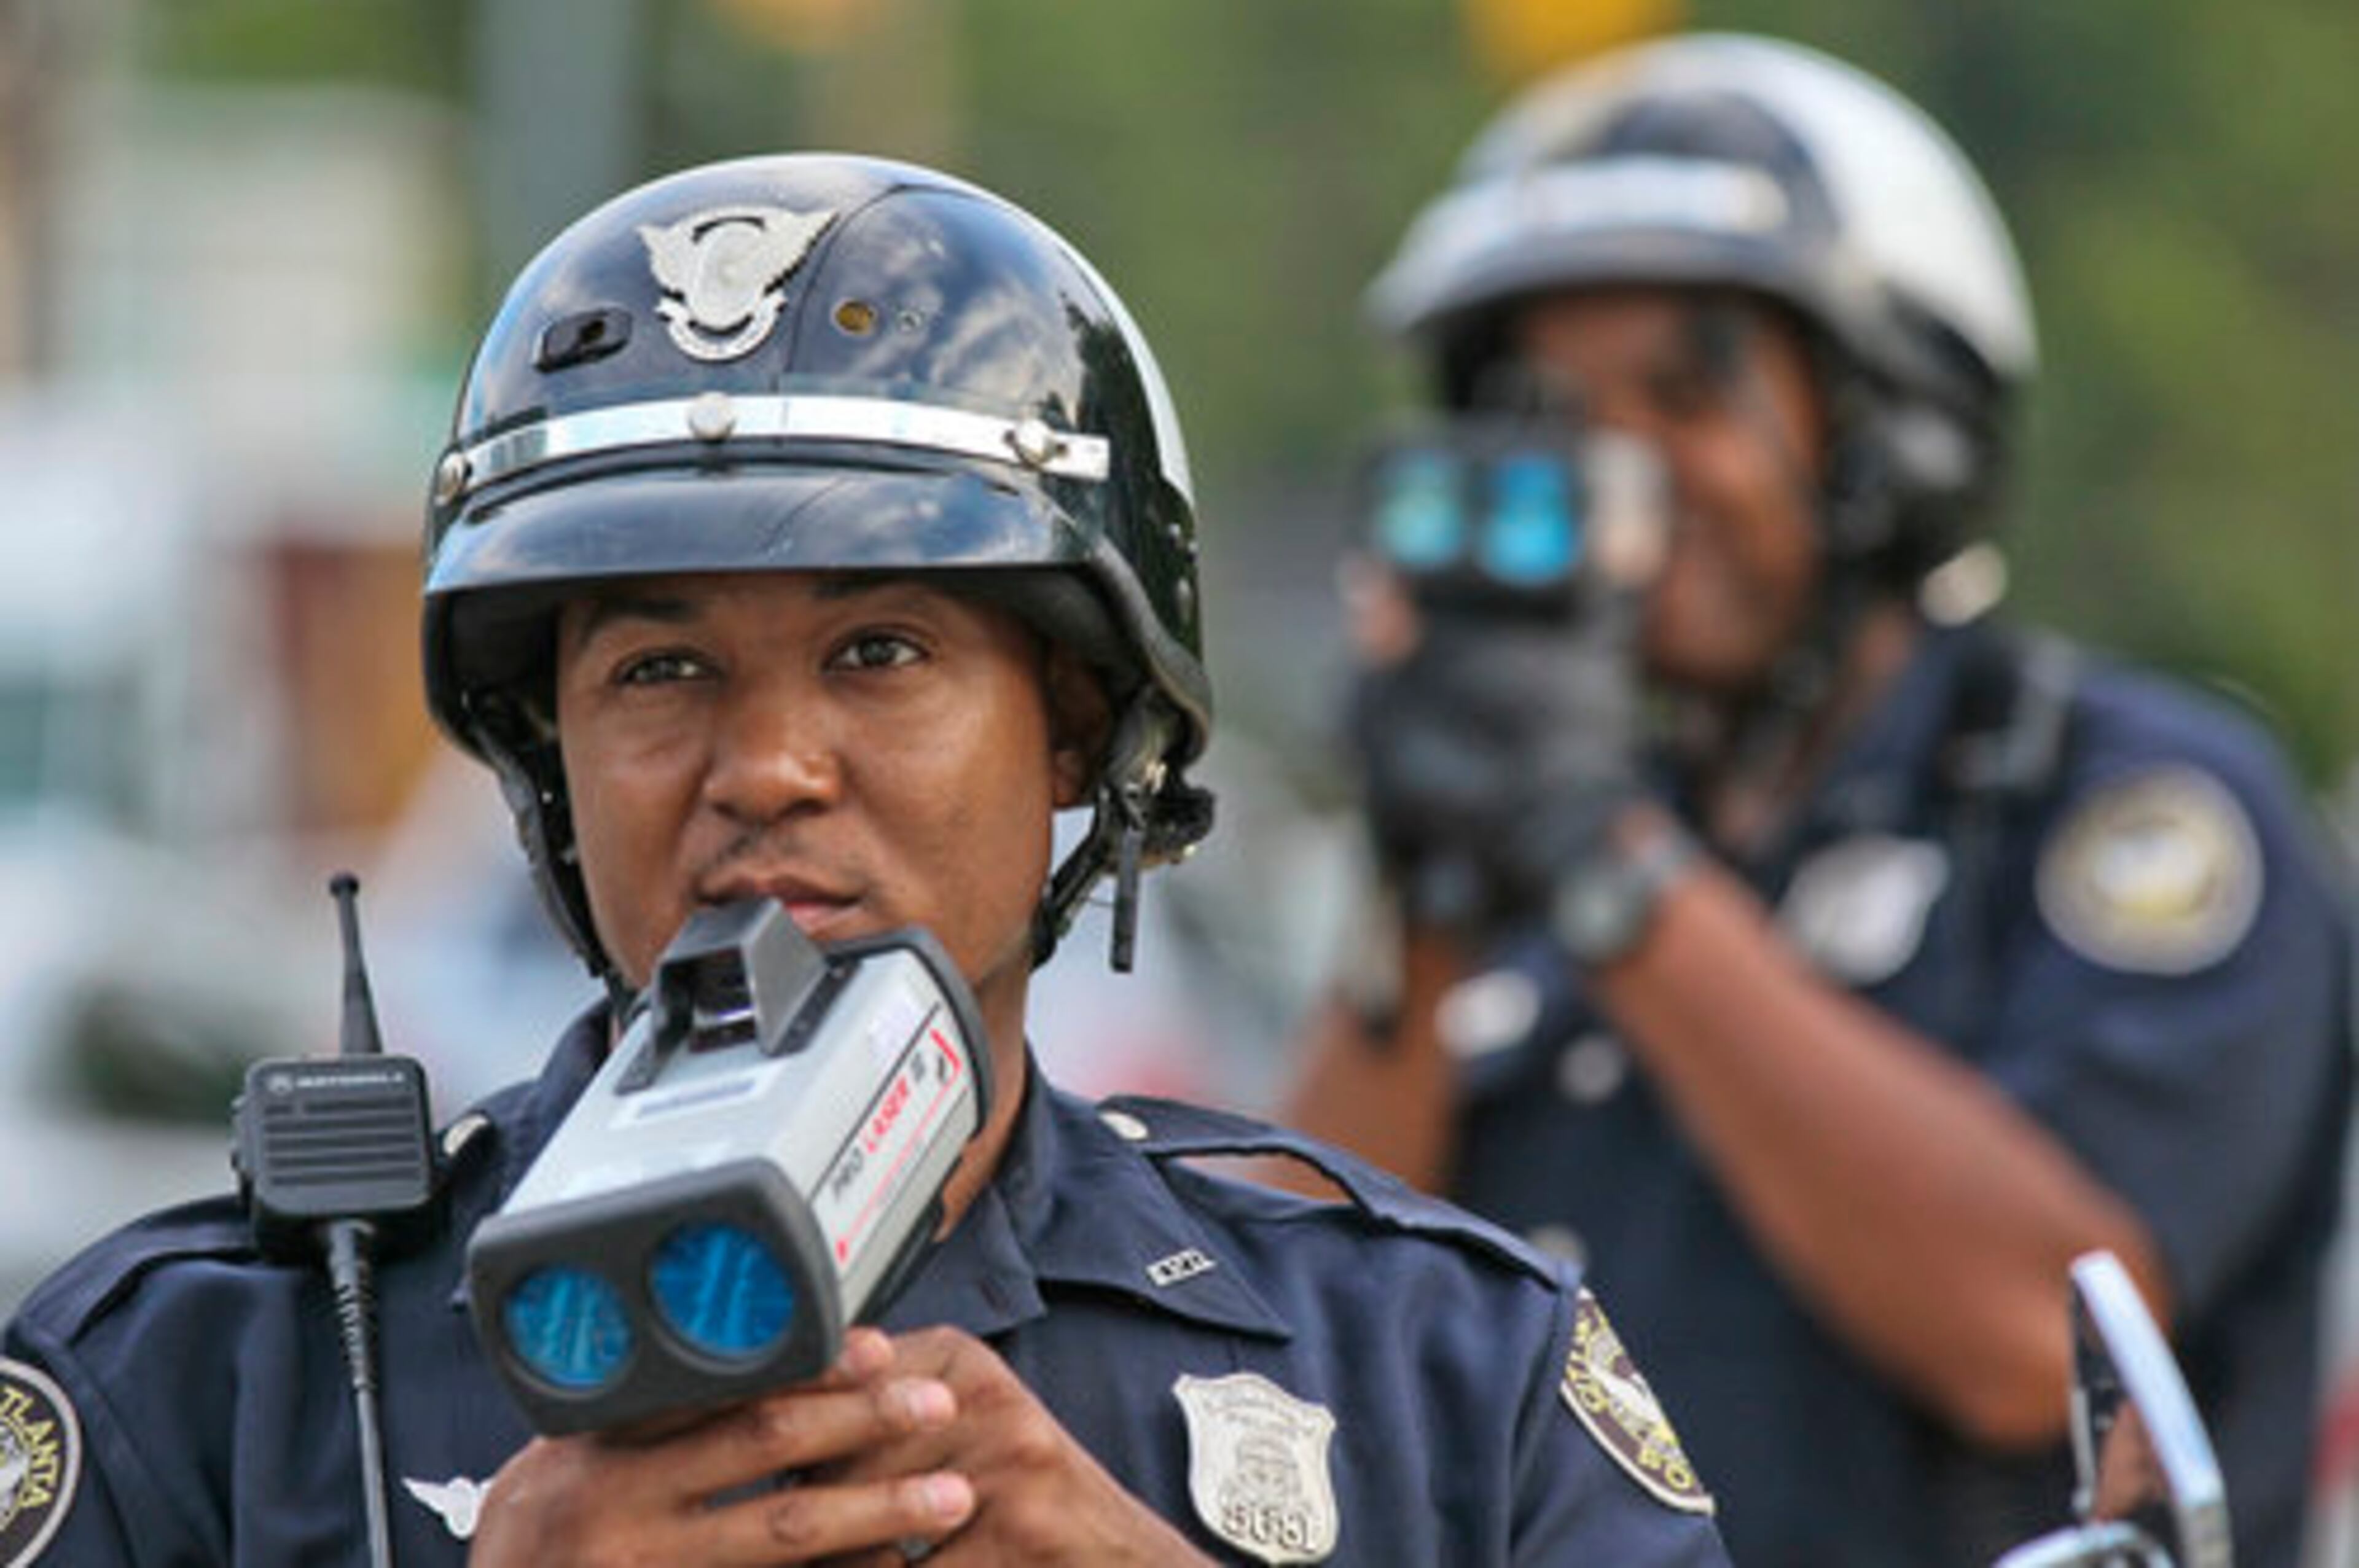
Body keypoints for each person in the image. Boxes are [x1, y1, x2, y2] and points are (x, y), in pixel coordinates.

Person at [0, 154, 1733, 1566]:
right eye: (659, 671)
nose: (766, 768)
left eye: (880, 653)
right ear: (550, 761)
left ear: (1079, 730)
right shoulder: (209, 1379)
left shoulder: (1440, 1373)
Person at [1277, 33, 2353, 1568]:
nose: (1615, 475)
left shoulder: (2124, 801)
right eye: (1549, 411)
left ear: (1894, 429)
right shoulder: (1537, 837)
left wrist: (1605, 867)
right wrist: (1424, 880)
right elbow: (1279, 1338)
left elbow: (2026, 1337)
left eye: (1685, 392)